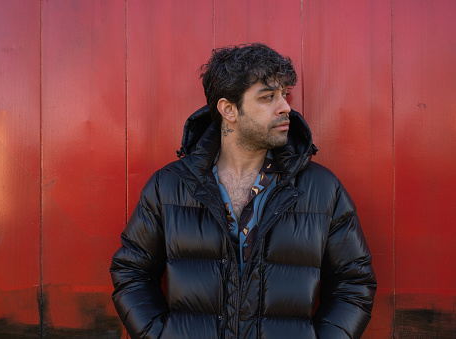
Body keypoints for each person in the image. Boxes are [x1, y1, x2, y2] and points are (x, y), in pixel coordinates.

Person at [110, 43, 376, 339]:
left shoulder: (323, 190)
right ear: (228, 110)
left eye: (284, 95)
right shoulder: (169, 187)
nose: (286, 107)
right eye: (268, 97)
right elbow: (132, 273)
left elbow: (353, 283)